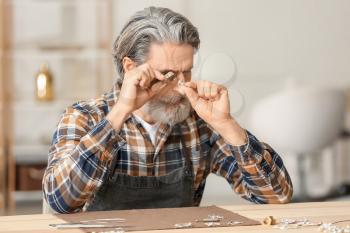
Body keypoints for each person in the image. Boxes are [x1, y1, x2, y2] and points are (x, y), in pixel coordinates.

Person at [42, 6, 293, 213]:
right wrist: (120, 112)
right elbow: (60, 201)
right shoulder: (83, 117)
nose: (182, 86)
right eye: (169, 74)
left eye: (188, 71)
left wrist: (227, 125)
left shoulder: (199, 124)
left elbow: (277, 196)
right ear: (130, 68)